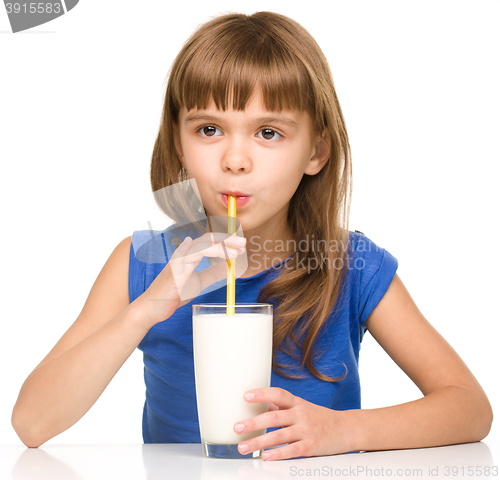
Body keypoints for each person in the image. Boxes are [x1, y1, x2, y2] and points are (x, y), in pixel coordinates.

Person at [11, 11, 492, 460]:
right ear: (178, 145)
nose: (235, 160)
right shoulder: (143, 262)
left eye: (268, 133)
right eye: (209, 129)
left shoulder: (351, 265)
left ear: (316, 152)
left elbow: (470, 408)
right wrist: (145, 311)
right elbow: (32, 423)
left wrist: (345, 431)